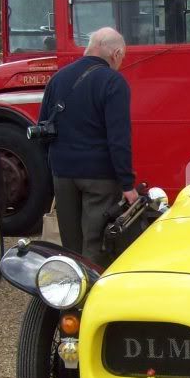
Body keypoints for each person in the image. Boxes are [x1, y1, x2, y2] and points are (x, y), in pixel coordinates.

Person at [40, 26, 138, 267]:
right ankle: (92, 298)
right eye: (122, 57)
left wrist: (55, 167)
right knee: (95, 244)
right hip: (99, 176)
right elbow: (119, 138)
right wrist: (127, 184)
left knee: (71, 244)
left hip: (63, 173)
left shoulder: (58, 78)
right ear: (116, 53)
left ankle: (70, 295)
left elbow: (42, 127)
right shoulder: (113, 82)